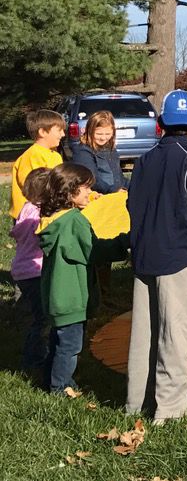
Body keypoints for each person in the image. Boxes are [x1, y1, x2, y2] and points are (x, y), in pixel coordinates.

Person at [125, 89, 187, 421]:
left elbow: (131, 204)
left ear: (162, 122)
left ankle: (134, 404)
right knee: (176, 334)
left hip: (143, 255)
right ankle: (170, 410)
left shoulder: (145, 160)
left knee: (144, 334)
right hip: (178, 255)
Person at [38, 164, 130, 393]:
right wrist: (125, 241)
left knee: (57, 342)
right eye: (85, 188)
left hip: (56, 295)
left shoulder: (55, 219)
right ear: (69, 193)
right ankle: (60, 388)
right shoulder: (74, 221)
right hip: (71, 295)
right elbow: (94, 250)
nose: (90, 192)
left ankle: (49, 380)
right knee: (70, 345)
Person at [11, 166, 53, 379]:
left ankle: (33, 355)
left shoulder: (27, 208)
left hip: (21, 269)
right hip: (35, 271)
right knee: (42, 319)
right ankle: (33, 360)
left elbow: (15, 232)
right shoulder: (40, 216)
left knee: (35, 316)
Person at [10, 109, 65, 222]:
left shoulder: (55, 155)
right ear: (42, 132)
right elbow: (32, 186)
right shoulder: (33, 155)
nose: (63, 134)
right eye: (59, 130)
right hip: (29, 216)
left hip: (48, 210)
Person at [68, 110, 124, 194]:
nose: (103, 138)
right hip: (98, 196)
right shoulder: (83, 151)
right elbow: (91, 179)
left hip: (117, 195)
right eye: (99, 134)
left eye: (107, 134)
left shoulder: (110, 149)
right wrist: (114, 191)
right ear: (90, 131)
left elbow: (118, 174)